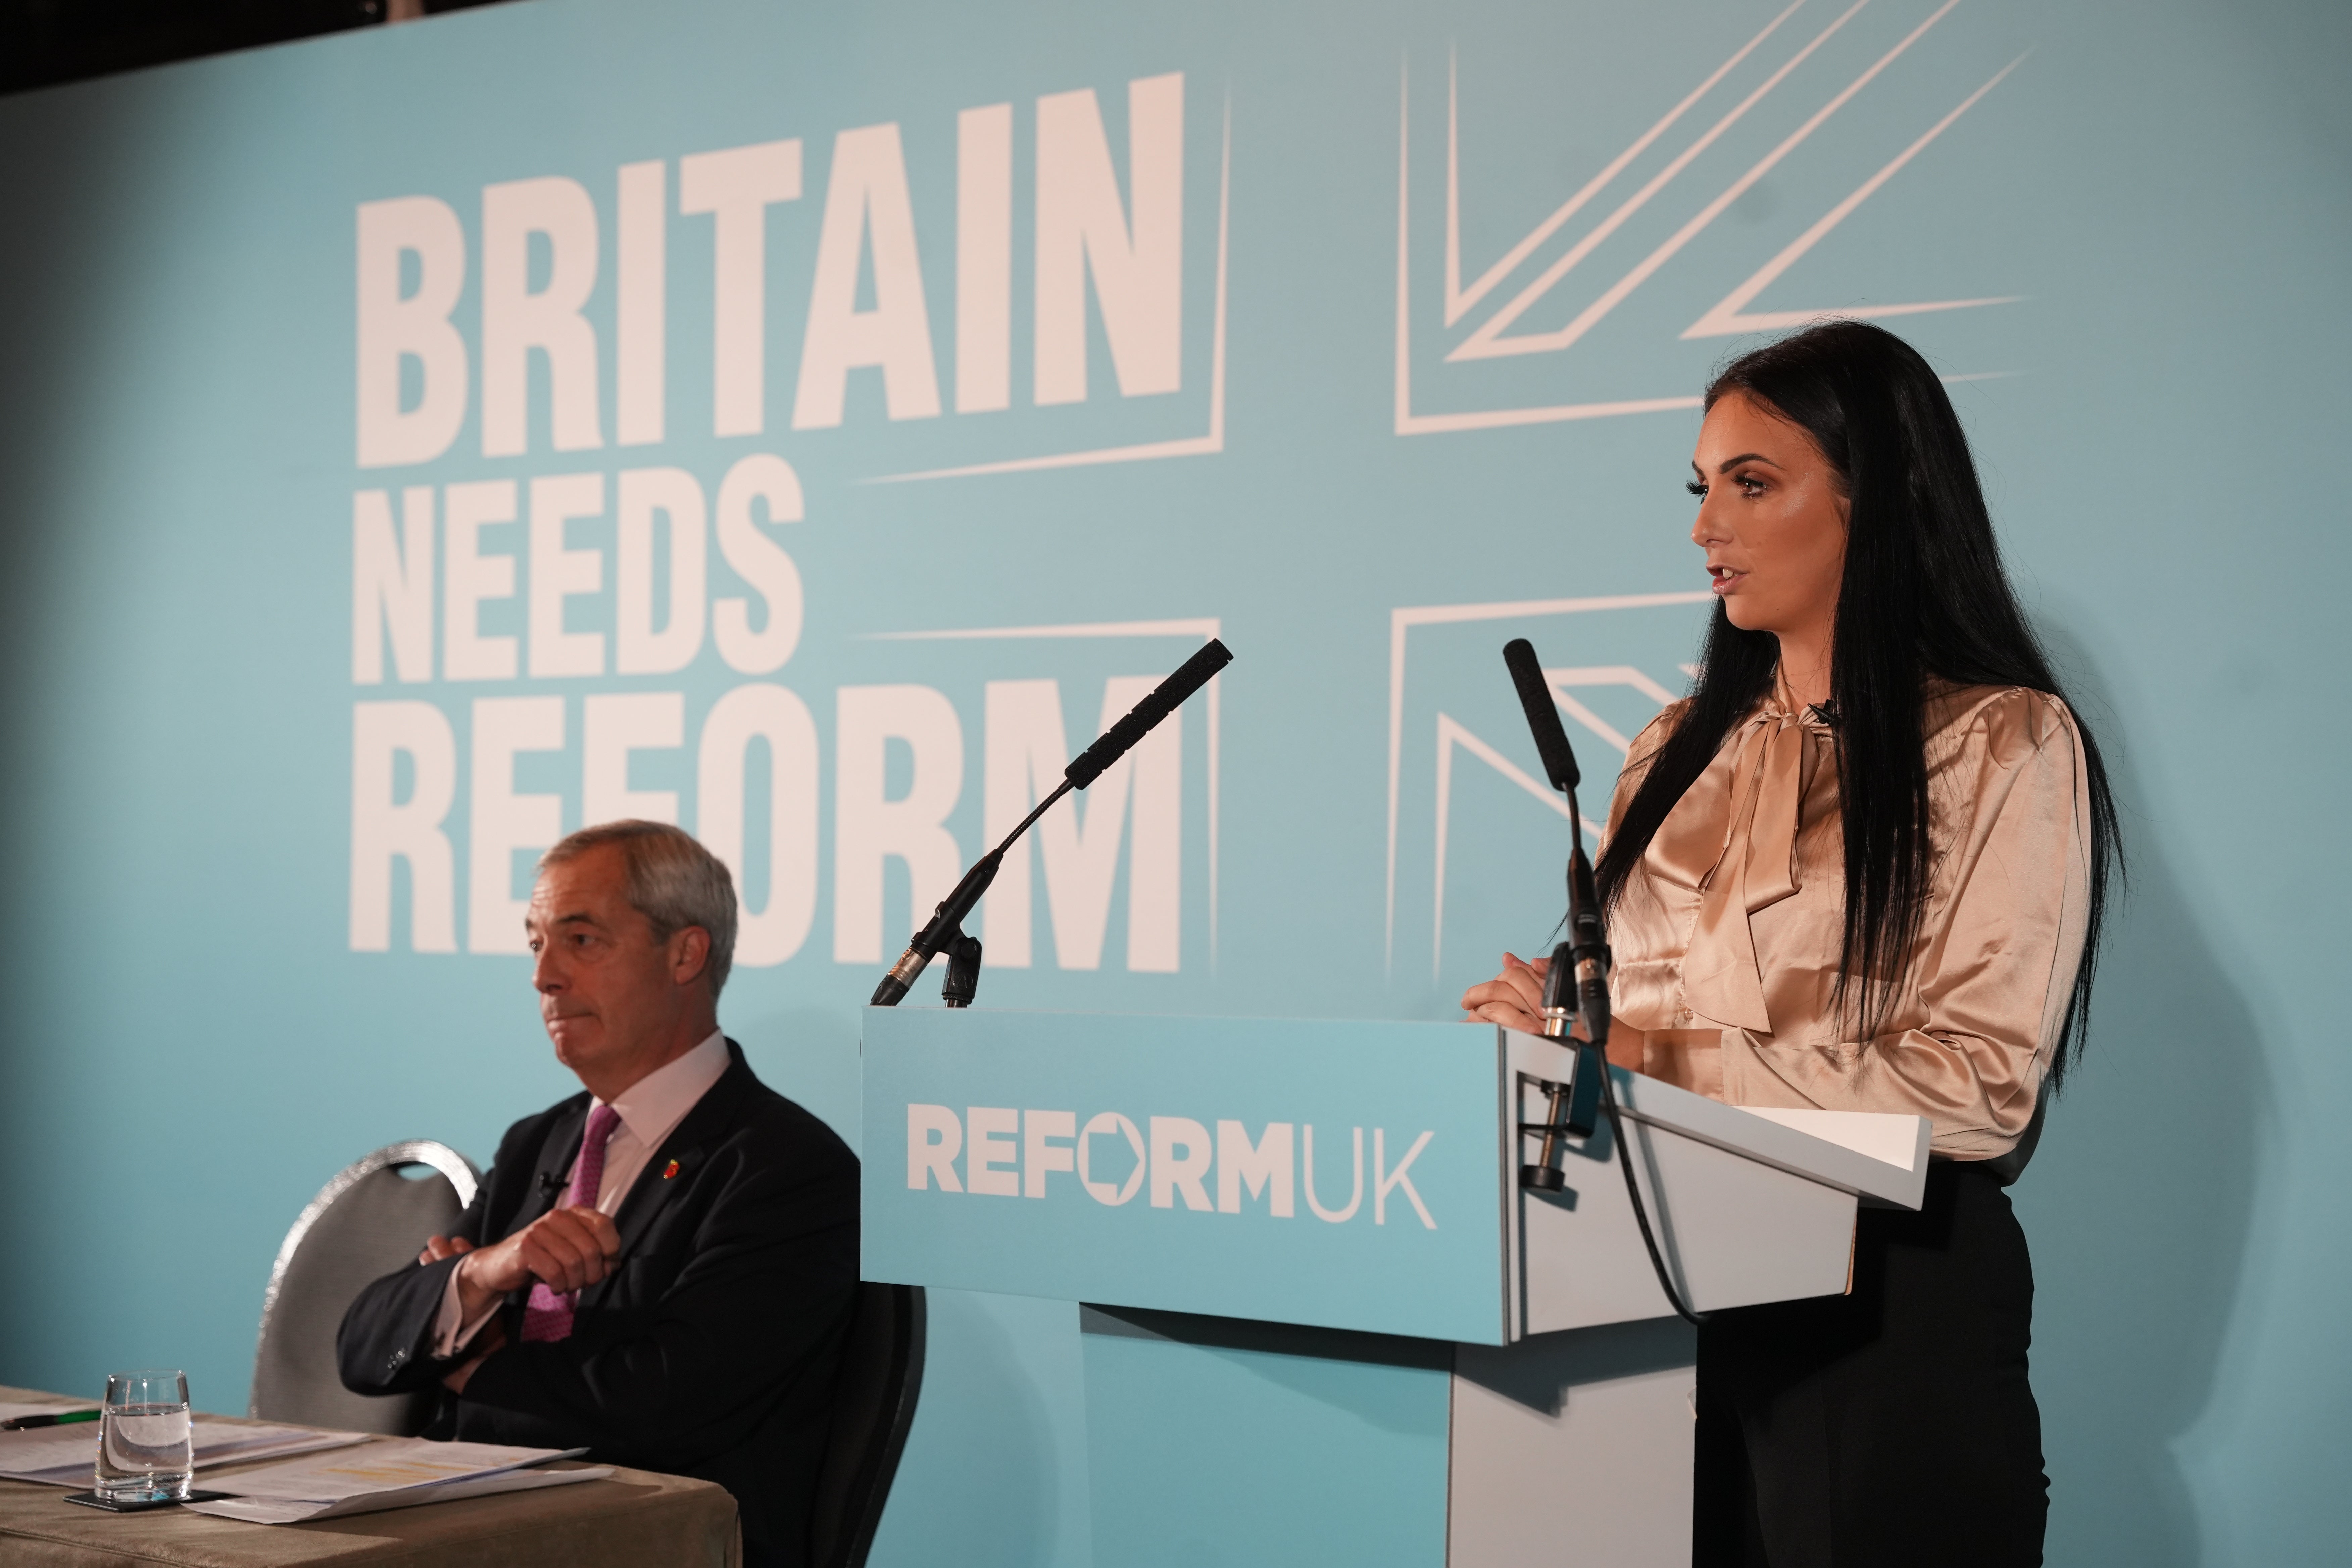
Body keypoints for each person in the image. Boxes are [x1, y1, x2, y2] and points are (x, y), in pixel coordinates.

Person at [1462, 320, 2120, 1567]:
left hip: (1885, 1299)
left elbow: (1981, 1088)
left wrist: (1650, 1060)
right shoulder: (1670, 748)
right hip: (1654, 1280)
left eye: (1752, 484)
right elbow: (1641, 1016)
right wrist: (1555, 1032)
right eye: (1700, 488)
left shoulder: (2001, 739)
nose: (1705, 527)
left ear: (1879, 497)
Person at [338, 820, 859, 1568]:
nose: (544, 976)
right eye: (536, 944)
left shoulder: (788, 1168)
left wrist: (472, 1367)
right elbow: (363, 1348)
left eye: (581, 940)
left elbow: (664, 1406)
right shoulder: (537, 1143)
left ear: (685, 954)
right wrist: (482, 1272)